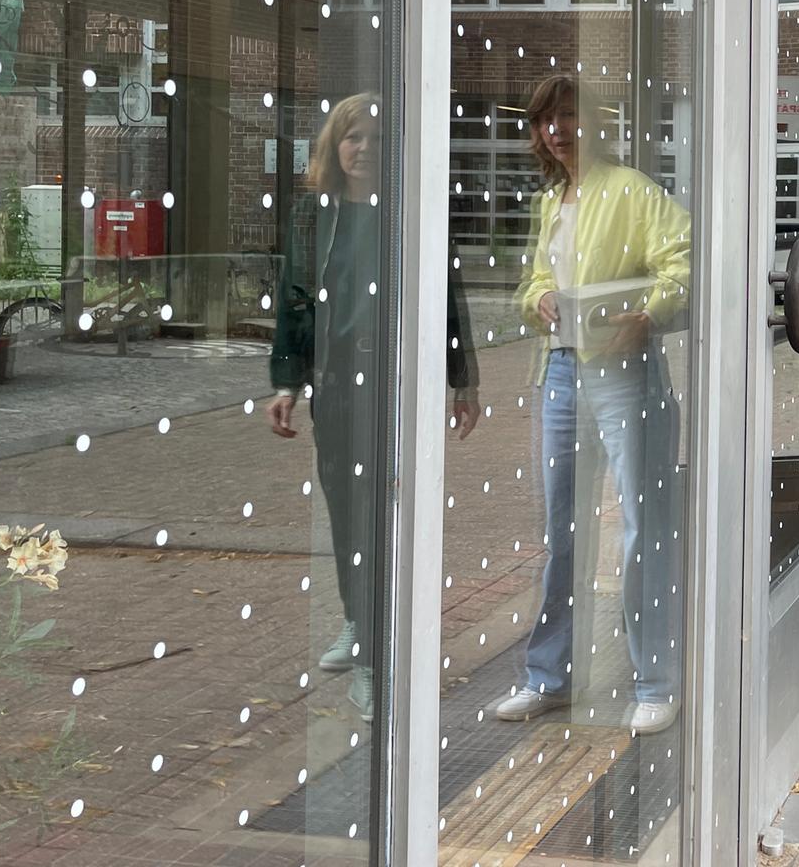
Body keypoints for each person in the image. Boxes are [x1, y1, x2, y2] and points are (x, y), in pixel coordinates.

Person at [267, 92, 480, 721]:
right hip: (337, 391)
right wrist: (287, 381)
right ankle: (359, 623)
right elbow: (294, 301)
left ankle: (376, 662)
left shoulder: (409, 211)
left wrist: (460, 381)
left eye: (376, 139)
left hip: (396, 388)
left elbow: (446, 296)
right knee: (346, 517)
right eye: (352, 137)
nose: (363, 149)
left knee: (383, 521)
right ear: (335, 148)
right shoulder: (315, 214)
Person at [494, 76, 692, 736]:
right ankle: (549, 679)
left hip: (625, 373)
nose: (557, 130)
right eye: (546, 120)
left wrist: (649, 314)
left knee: (643, 528)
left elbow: (682, 265)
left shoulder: (631, 189)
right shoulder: (553, 200)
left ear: (593, 124)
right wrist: (539, 299)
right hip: (560, 369)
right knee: (564, 533)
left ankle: (655, 681)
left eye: (570, 116)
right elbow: (534, 279)